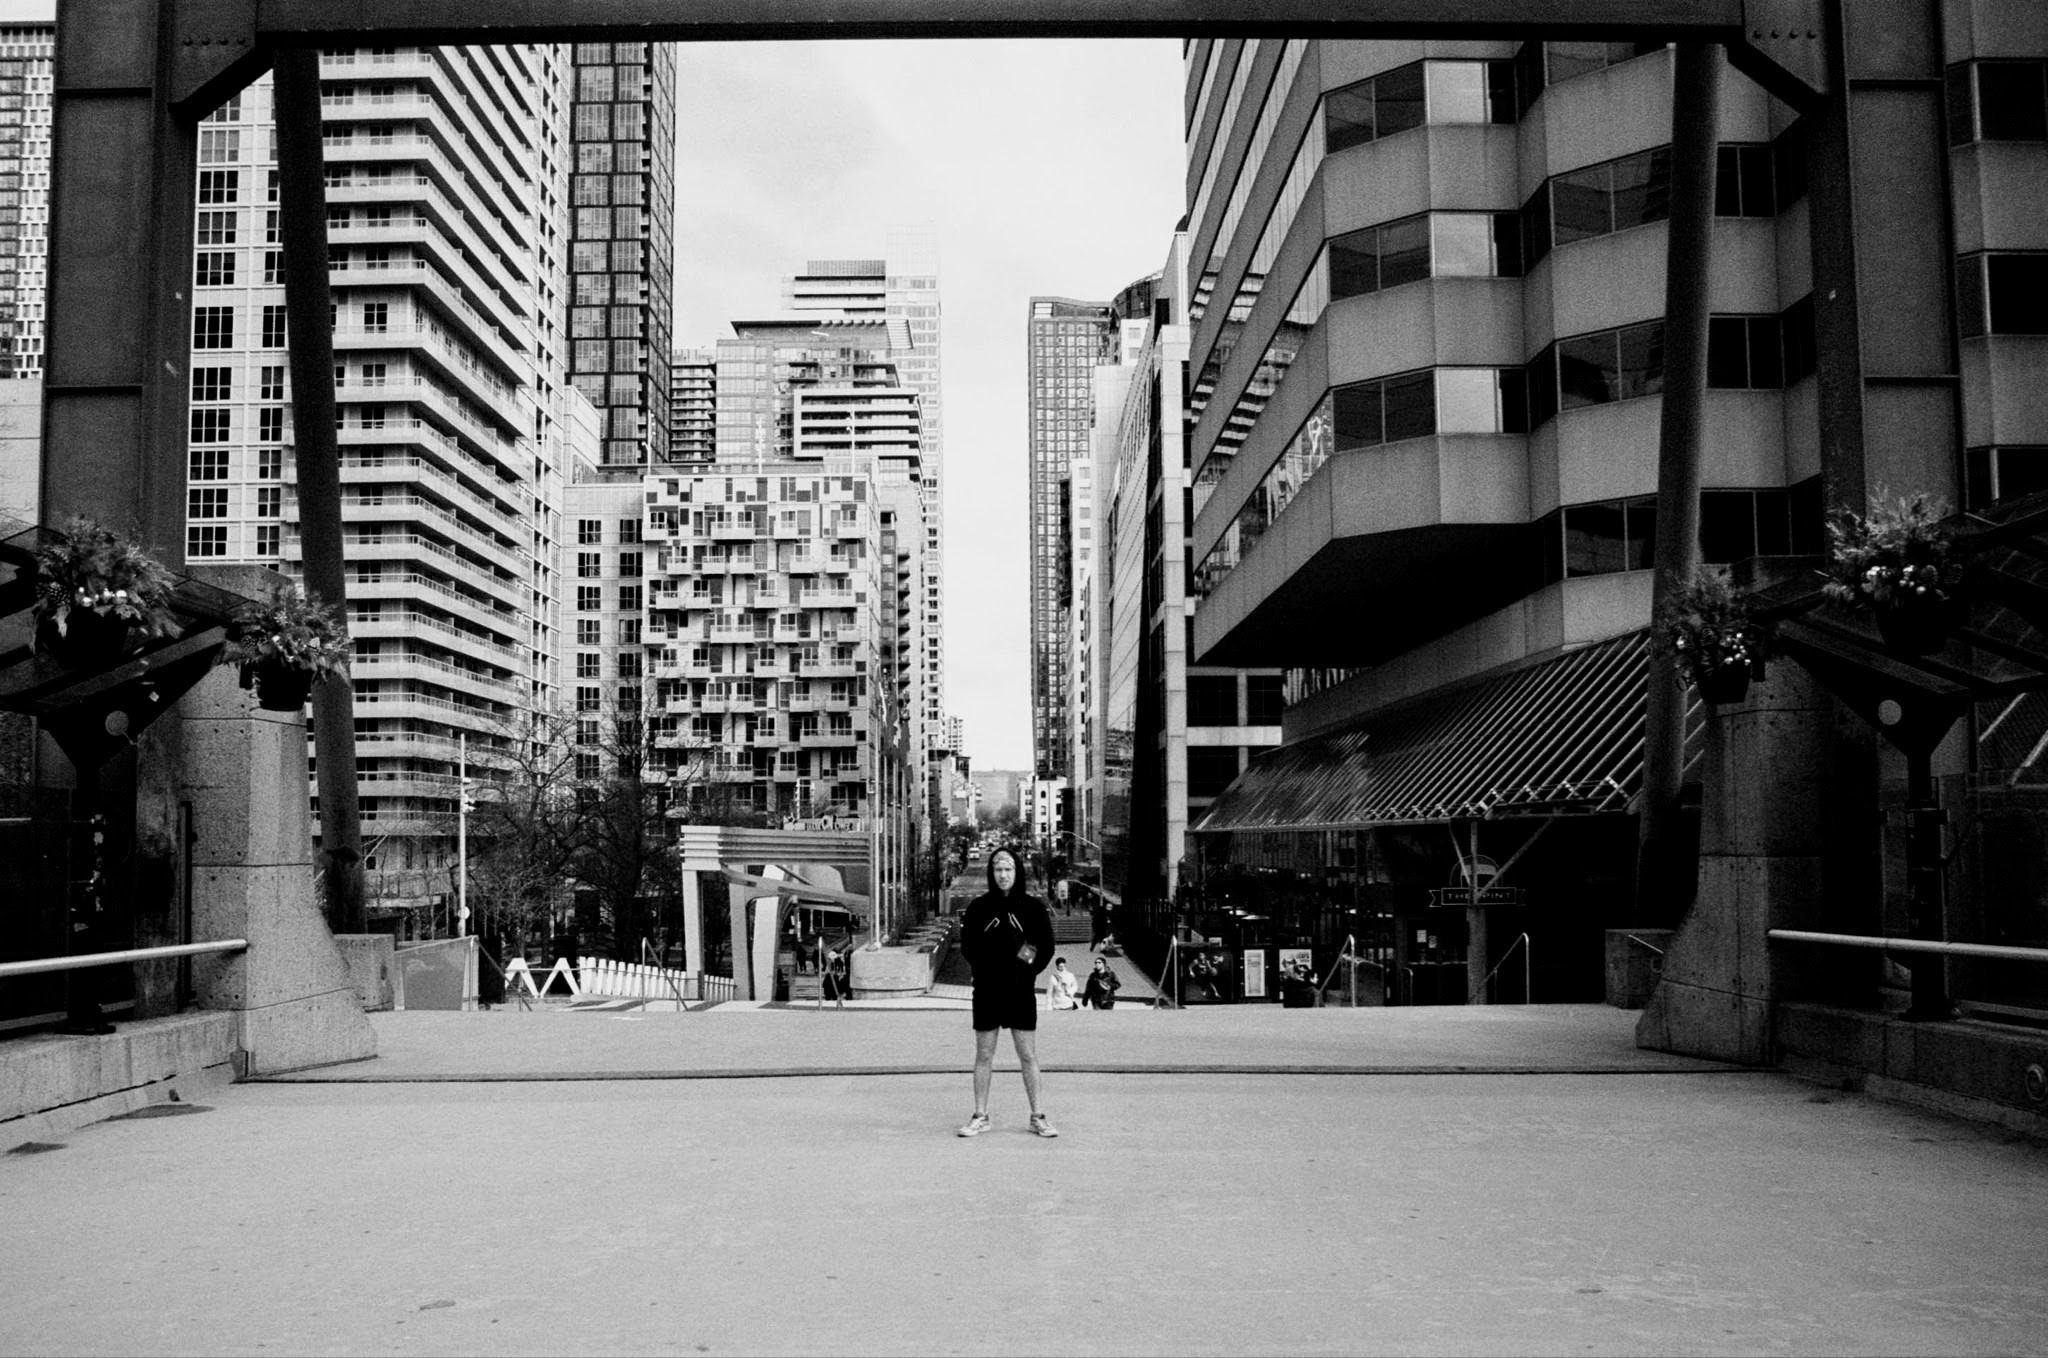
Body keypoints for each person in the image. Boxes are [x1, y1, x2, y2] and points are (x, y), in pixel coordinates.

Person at [957, 847, 1058, 1138]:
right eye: (998, 870)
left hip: (1020, 991)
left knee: (1027, 1055)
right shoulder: (979, 908)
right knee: (984, 1055)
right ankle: (980, 1115)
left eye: (1008, 869)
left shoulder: (1032, 908)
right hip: (987, 991)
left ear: (1017, 872)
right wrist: (988, 966)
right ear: (992, 873)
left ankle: (1038, 1116)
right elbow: (969, 946)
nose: (1003, 875)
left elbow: (1044, 945)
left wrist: (1023, 966)